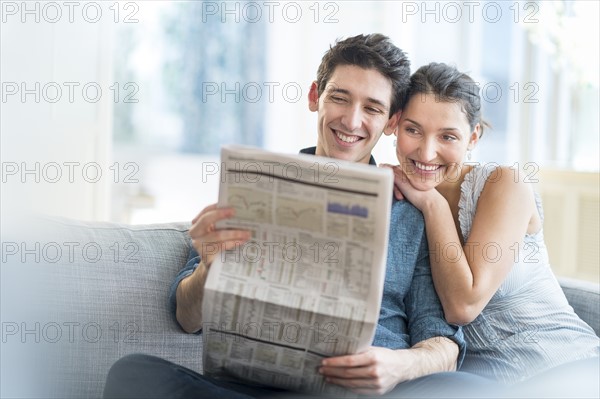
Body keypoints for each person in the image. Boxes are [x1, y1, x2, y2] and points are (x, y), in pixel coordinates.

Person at [104, 35, 493, 398]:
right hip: (253, 387)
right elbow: (187, 318)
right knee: (134, 374)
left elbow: (444, 343)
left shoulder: (412, 214)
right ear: (314, 97)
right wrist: (209, 267)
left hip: (358, 391)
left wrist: (399, 364)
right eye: (340, 98)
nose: (352, 121)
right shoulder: (254, 185)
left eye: (372, 108)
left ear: (390, 121)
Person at [387, 62, 600, 396]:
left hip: (566, 368)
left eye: (448, 136)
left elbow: (463, 306)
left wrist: (432, 204)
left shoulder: (504, 184)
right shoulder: (396, 196)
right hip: (479, 385)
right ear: (395, 125)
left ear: (473, 136)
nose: (427, 152)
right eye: (413, 130)